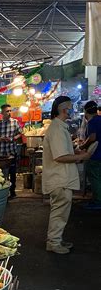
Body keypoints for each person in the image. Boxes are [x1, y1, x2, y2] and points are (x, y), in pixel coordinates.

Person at [42, 96, 93, 254]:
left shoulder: (60, 127)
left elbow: (63, 152)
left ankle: (57, 239)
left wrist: (75, 152)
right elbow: (59, 156)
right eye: (70, 107)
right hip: (60, 179)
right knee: (59, 213)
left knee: (61, 213)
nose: (72, 110)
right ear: (64, 109)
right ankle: (54, 242)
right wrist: (80, 157)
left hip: (61, 178)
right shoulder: (57, 129)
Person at [0, 104, 22, 198]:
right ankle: (3, 192)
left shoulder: (15, 122)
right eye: (7, 111)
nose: (9, 113)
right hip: (1, 154)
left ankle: (12, 192)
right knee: (2, 174)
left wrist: (13, 138)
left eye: (10, 111)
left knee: (12, 172)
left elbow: (20, 133)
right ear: (2, 113)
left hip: (11, 152)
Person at [80, 101, 101, 210]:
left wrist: (83, 146)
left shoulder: (92, 122)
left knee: (94, 178)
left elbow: (92, 137)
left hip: (96, 155)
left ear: (86, 111)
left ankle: (97, 202)